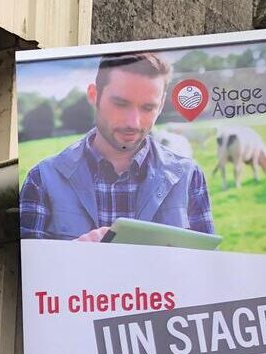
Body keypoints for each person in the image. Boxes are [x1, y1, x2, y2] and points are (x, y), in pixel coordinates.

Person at [20, 51, 215, 241]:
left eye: (148, 108)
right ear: (94, 95)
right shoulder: (42, 179)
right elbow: (28, 272)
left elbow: (207, 269)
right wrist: (74, 256)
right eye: (121, 104)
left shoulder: (189, 177)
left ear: (162, 104)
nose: (133, 123)